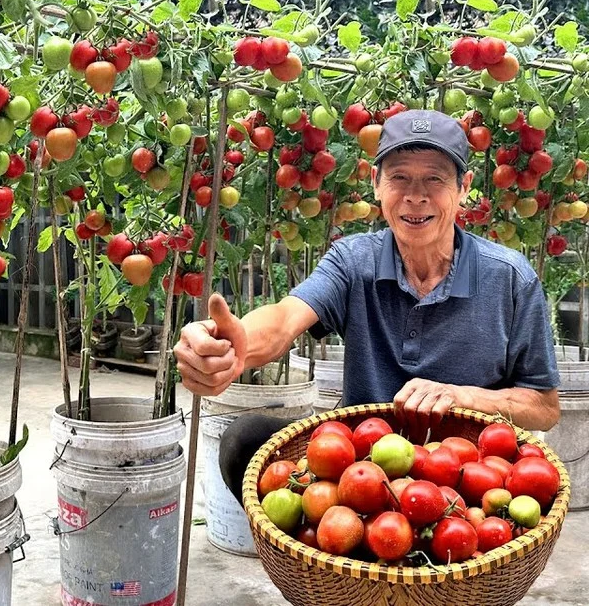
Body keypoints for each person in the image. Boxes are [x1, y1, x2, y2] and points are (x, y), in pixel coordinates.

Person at [174, 109, 561, 501]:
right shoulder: (353, 260)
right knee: (245, 440)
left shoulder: (509, 277)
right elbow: (286, 317)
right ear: (376, 184)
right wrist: (236, 345)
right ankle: (311, 559)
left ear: (464, 188)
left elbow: (544, 406)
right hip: (360, 465)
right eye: (399, 177)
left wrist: (463, 396)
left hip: (466, 476)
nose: (415, 196)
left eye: (435, 178)